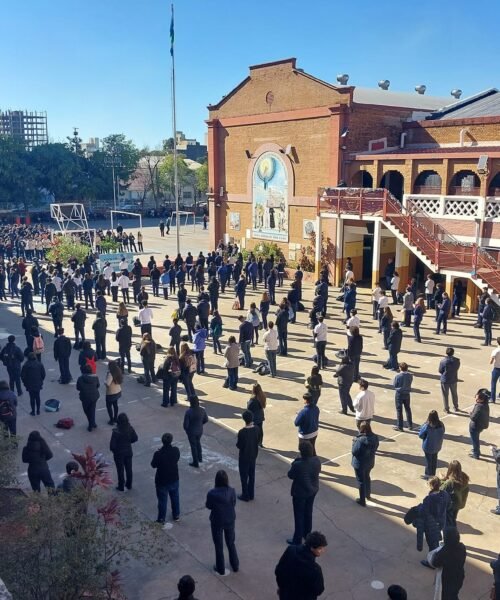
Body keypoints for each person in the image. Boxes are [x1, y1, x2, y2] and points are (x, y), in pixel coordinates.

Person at [286, 441, 321, 546]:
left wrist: (296, 460)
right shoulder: (316, 461)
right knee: (308, 512)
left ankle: (297, 539)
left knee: (299, 516)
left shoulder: (298, 464)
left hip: (300, 493)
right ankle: (307, 534)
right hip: (313, 490)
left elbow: (290, 475)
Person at [275, 531, 327, 600]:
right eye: (320, 548)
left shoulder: (290, 550)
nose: (323, 551)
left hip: (286, 595)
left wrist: (282, 587)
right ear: (312, 548)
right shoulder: (315, 569)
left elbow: (278, 571)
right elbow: (319, 590)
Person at [206, 470, 239, 575]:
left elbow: (209, 506)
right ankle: (235, 565)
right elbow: (233, 503)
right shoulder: (231, 491)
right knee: (231, 543)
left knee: (218, 546)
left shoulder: (212, 493)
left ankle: (220, 568)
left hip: (217, 521)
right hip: (229, 520)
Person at [419, 477, 451, 566]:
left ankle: (432, 562)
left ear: (431, 486)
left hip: (432, 524)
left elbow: (424, 512)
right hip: (442, 521)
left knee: (432, 544)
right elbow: (448, 505)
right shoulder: (445, 494)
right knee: (436, 538)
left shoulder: (429, 499)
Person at [428, 526, 466, 599]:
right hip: (459, 576)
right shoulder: (462, 547)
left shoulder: (444, 552)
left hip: (447, 580)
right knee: (454, 594)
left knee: (446, 596)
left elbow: (435, 563)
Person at [151, 432, 180, 524]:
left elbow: (153, 465)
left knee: (162, 500)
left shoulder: (158, 454)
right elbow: (177, 458)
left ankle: (161, 518)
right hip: (174, 478)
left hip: (162, 480)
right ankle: (176, 515)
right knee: (175, 497)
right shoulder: (175, 450)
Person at [351, 421, 379, 506]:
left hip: (360, 464)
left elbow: (354, 452)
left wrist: (354, 442)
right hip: (369, 462)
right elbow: (376, 447)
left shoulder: (360, 440)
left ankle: (362, 500)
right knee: (367, 477)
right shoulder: (375, 437)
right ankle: (368, 495)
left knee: (361, 481)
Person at [110, 413, 138, 492]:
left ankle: (121, 486)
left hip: (119, 454)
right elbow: (135, 438)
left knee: (120, 470)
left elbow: (112, 446)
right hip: (128, 451)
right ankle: (129, 485)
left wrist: (115, 451)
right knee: (129, 469)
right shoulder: (130, 428)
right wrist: (129, 442)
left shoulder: (116, 431)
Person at [236, 410, 259, 502]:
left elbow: (239, 445)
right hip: (253, 455)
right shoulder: (257, 429)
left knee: (244, 476)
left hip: (244, 457)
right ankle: (251, 493)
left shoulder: (242, 432)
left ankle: (245, 494)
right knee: (252, 475)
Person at [439, 460, 469, 526]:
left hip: (450, 504)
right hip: (460, 502)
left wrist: (441, 480)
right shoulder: (464, 477)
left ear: (450, 469)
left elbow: (441, 490)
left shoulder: (450, 482)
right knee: (454, 515)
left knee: (447, 516)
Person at [419, 410, 445, 479]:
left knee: (428, 461)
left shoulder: (427, 426)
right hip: (437, 446)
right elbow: (443, 432)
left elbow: (421, 435)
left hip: (428, 446)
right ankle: (433, 473)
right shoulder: (441, 424)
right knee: (434, 459)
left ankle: (428, 474)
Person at [183, 396, 208, 468]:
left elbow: (185, 425)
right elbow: (206, 420)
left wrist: (187, 430)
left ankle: (195, 462)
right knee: (198, 443)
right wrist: (200, 424)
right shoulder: (202, 410)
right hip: (199, 430)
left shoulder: (188, 412)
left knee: (193, 446)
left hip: (191, 432)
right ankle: (200, 458)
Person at [76, 364, 100, 432]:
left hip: (85, 397)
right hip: (94, 396)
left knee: (86, 410)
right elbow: (98, 385)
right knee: (92, 410)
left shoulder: (80, 378)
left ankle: (90, 424)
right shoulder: (95, 377)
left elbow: (78, 388)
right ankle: (93, 423)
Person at [469, 388, 489, 459]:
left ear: (481, 399)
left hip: (475, 427)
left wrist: (470, 414)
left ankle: (476, 454)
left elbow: (473, 417)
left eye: (477, 398)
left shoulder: (479, 407)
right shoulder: (485, 404)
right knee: (476, 439)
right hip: (481, 425)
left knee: (475, 440)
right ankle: (476, 450)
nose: (476, 400)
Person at [438, 347, 460, 413]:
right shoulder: (457, 360)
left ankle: (446, 408)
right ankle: (456, 407)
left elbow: (440, 370)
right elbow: (457, 368)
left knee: (445, 395)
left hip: (445, 380)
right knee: (454, 394)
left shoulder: (443, 361)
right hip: (453, 379)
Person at [393, 362, 413, 431]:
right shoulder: (410, 375)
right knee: (408, 409)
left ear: (400, 368)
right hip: (407, 394)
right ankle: (410, 425)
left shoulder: (398, 376)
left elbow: (395, 385)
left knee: (399, 410)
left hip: (399, 393)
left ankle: (400, 426)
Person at [105, 360, 123, 425]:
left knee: (109, 406)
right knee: (115, 405)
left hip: (111, 393)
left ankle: (111, 420)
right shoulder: (118, 370)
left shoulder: (110, 373)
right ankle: (115, 418)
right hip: (117, 391)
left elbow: (107, 383)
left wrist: (104, 381)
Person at [492, 337, 500, 404]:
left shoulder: (496, 351)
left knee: (493, 383)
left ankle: (492, 398)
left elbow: (491, 361)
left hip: (497, 368)